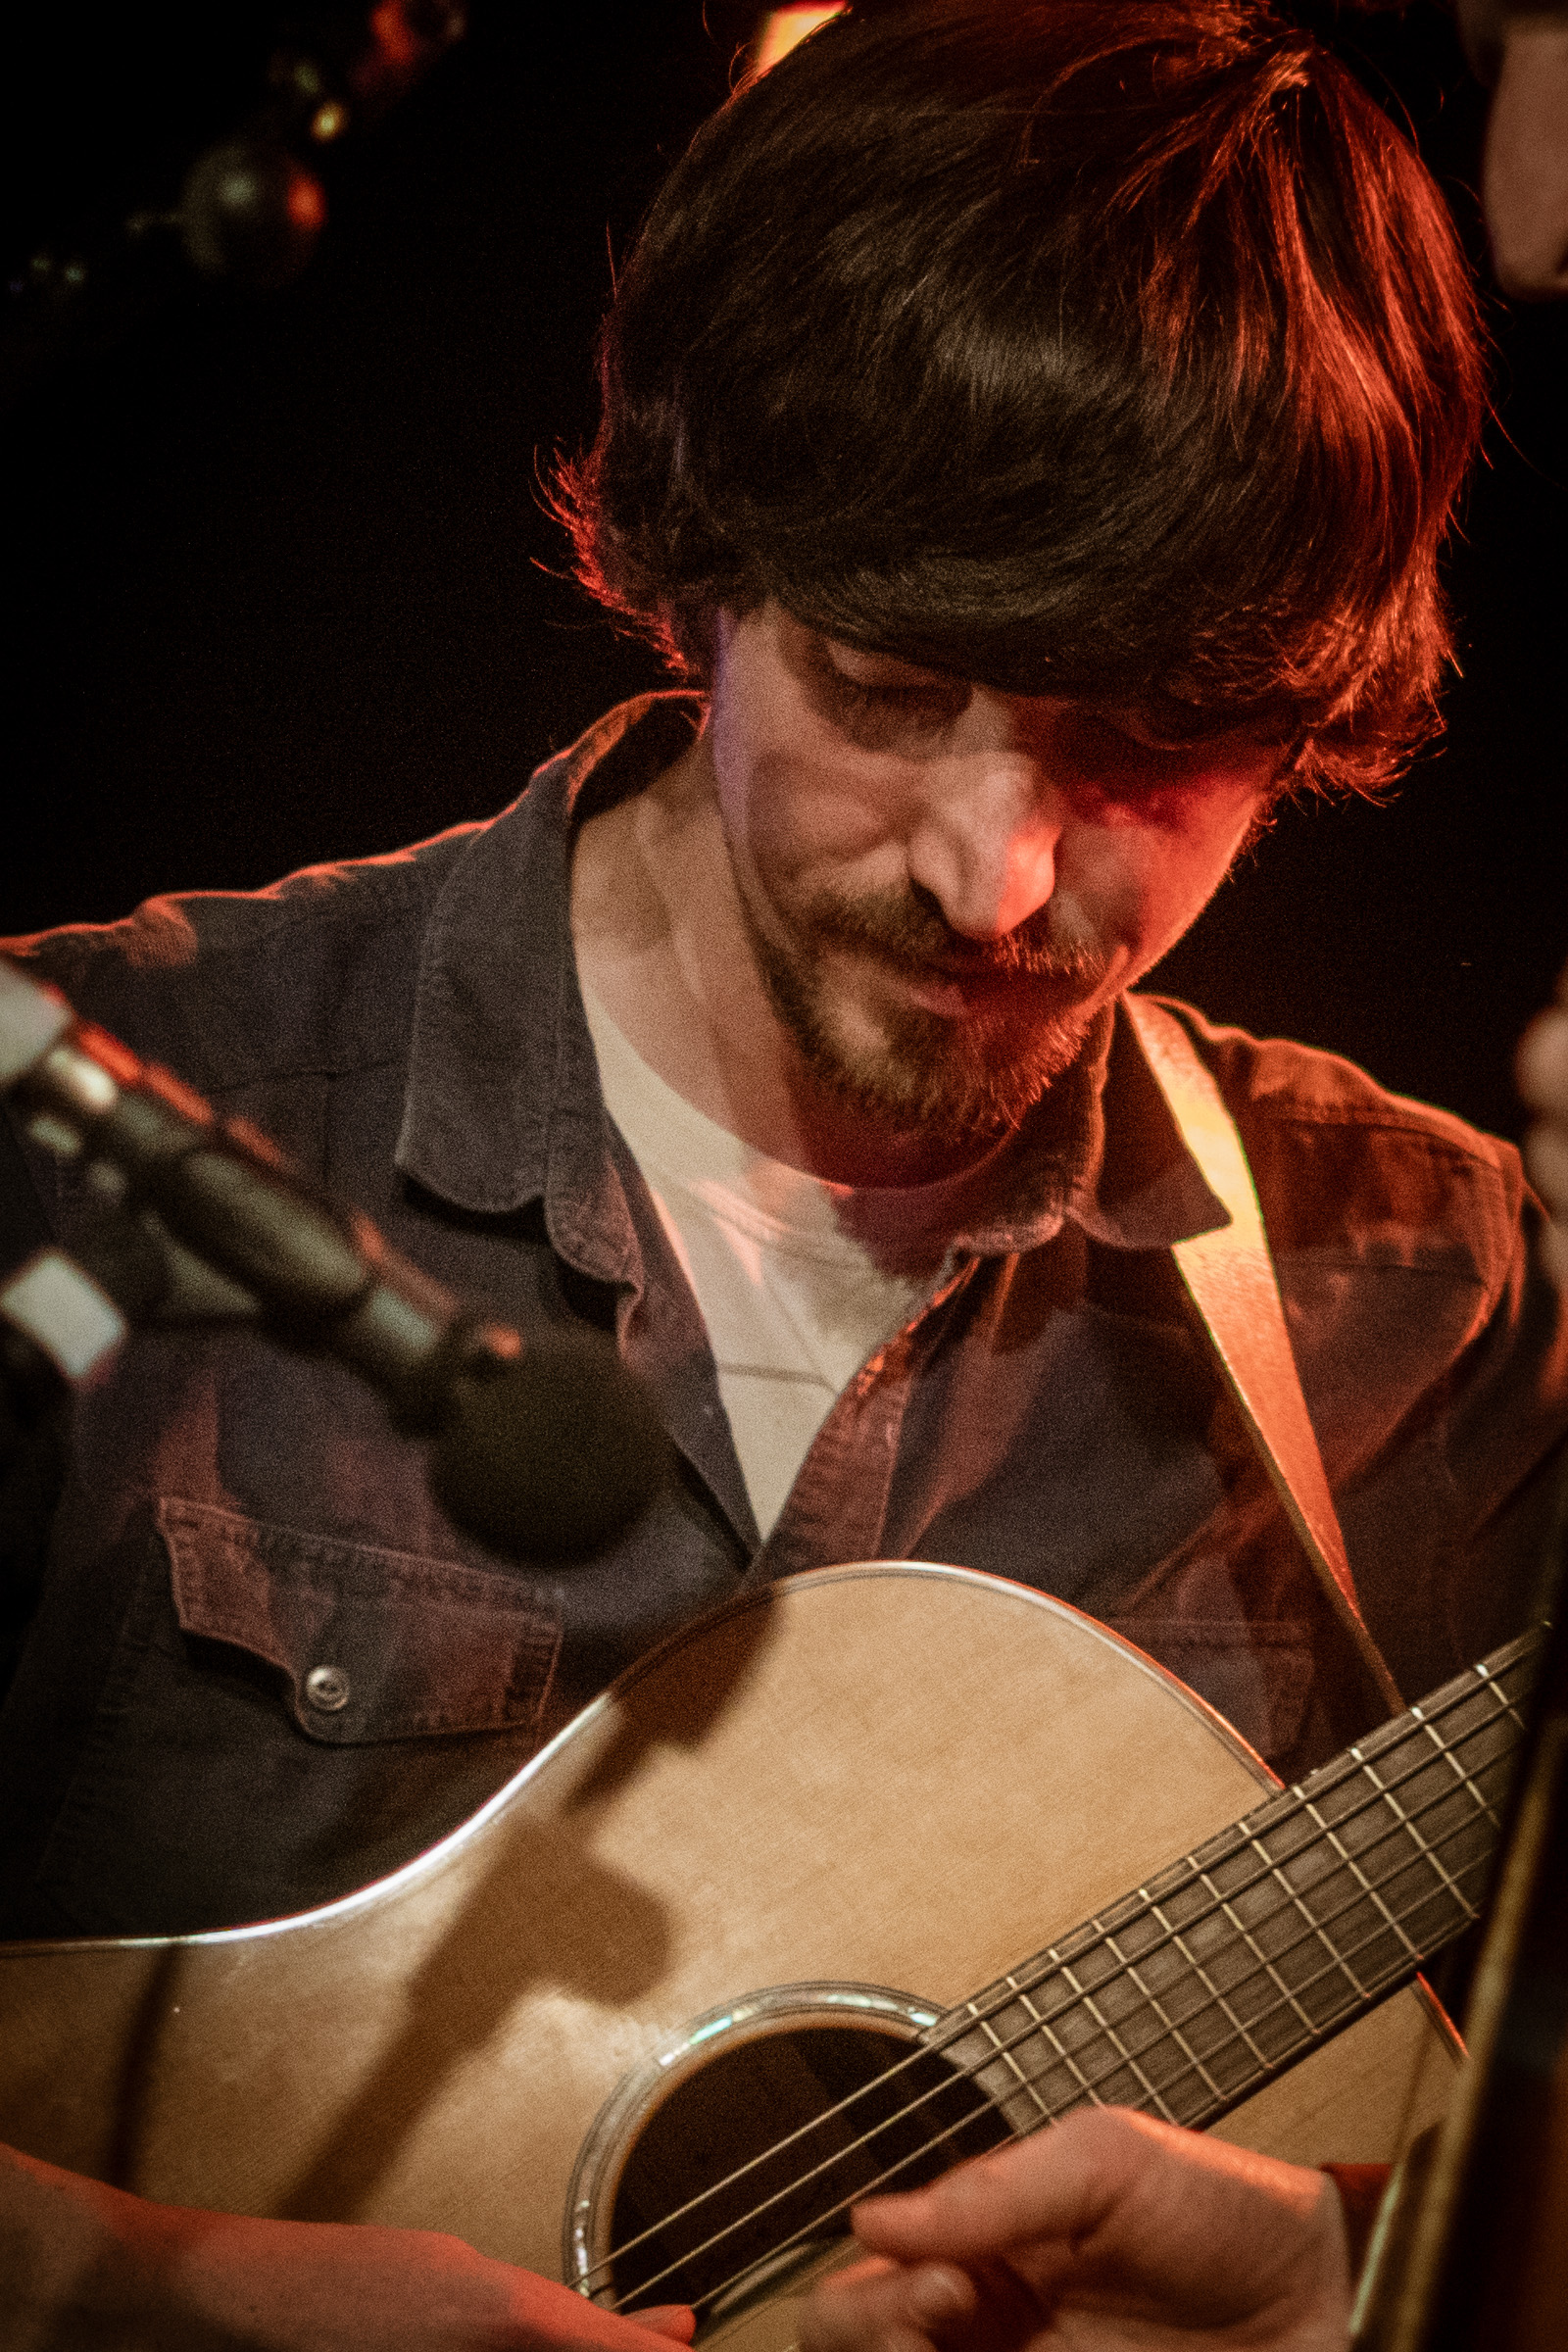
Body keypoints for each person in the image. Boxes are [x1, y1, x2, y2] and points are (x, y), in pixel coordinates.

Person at [4, 2, 1567, 2344]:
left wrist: (1355, 2281)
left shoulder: (1426, 1302)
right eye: (890, 686)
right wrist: (161, 2286)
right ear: (699, 567)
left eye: (1149, 747)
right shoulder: (110, 1113)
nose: (995, 868)